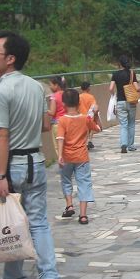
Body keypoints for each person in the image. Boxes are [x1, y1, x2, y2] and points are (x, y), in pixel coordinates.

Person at [0, 31, 62, 279]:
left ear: (10, 59)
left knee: (11, 223)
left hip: (11, 166)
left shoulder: (0, 91)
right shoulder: (36, 87)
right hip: (36, 163)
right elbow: (45, 125)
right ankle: (49, 278)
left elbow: (1, 136)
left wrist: (1, 175)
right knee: (38, 223)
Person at [56, 88, 102, 225]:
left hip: (67, 156)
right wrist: (96, 114)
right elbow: (99, 128)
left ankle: (69, 205)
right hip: (82, 157)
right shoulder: (85, 119)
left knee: (66, 180)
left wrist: (60, 155)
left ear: (63, 103)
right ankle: (83, 215)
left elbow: (60, 138)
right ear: (79, 103)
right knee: (84, 183)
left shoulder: (62, 120)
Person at [109, 56, 140, 153]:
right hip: (131, 101)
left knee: (123, 125)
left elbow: (111, 88)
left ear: (120, 64)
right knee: (131, 124)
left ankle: (123, 144)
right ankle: (131, 145)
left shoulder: (115, 74)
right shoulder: (132, 73)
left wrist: (113, 95)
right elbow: (137, 88)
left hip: (120, 102)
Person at [47, 76, 66, 159]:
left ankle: (62, 163)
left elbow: (52, 112)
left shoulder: (54, 96)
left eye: (50, 85)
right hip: (67, 122)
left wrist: (43, 109)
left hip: (57, 124)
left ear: (56, 85)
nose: (50, 87)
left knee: (58, 147)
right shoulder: (66, 94)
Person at [79, 81, 99, 150]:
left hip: (81, 117)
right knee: (91, 128)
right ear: (88, 88)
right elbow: (95, 107)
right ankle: (89, 141)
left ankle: (84, 143)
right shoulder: (91, 97)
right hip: (89, 117)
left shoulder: (79, 97)